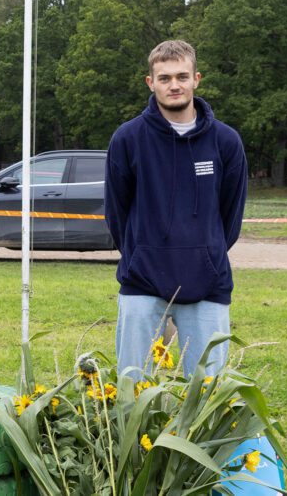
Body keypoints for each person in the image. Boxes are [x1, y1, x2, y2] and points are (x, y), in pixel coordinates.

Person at [104, 40, 247, 379]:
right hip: (142, 280)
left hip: (208, 282)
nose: (174, 85)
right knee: (130, 386)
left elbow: (230, 215)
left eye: (182, 76)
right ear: (150, 83)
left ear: (196, 79)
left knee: (209, 392)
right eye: (164, 78)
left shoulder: (226, 142)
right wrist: (141, 254)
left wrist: (207, 253)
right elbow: (117, 212)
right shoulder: (127, 139)